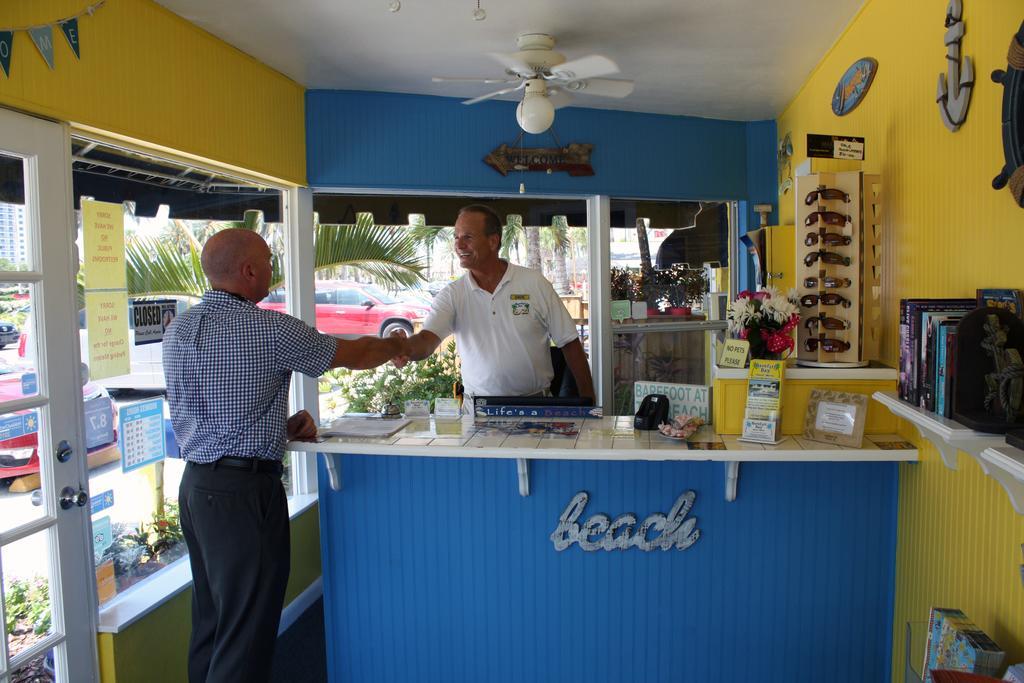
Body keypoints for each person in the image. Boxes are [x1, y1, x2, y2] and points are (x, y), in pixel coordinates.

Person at [163, 228, 410, 683]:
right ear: (248, 271)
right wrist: (399, 344)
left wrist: (276, 426)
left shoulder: (180, 328)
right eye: (268, 261)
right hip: (244, 497)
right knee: (246, 637)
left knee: (213, 624)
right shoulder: (268, 329)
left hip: (197, 489)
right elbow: (352, 352)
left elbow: (214, 409)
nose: (273, 268)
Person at [392, 204, 594, 405]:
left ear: (493, 241)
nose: (459, 245)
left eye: (468, 237)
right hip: (478, 412)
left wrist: (589, 404)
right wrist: (402, 347)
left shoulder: (534, 283)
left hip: (536, 407)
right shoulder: (453, 295)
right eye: (456, 237)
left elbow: (570, 343)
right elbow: (426, 341)